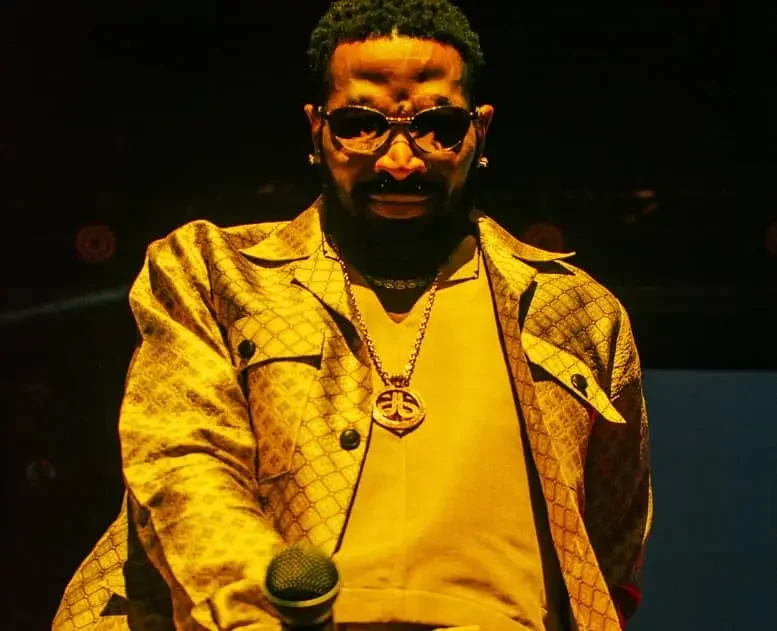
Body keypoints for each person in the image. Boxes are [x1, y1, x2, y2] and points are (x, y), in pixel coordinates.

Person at [52, 1, 653, 630]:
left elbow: (610, 543)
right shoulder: (216, 274)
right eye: (361, 125)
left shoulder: (576, 312)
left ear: (481, 132)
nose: (400, 162)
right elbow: (185, 466)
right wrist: (264, 615)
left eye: (439, 127)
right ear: (316, 130)